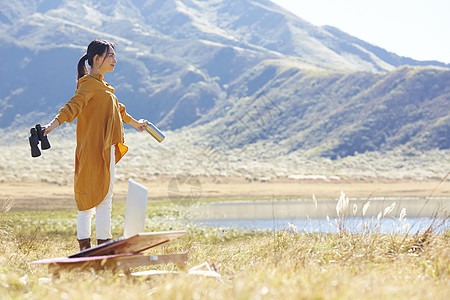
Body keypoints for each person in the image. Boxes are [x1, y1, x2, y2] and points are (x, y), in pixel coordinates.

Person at [43, 39, 148, 251]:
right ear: (97, 59)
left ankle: (90, 250)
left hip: (102, 149)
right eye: (111, 56)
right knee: (96, 201)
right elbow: (73, 106)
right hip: (96, 150)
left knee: (95, 200)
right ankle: (99, 250)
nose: (115, 60)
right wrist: (51, 125)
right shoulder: (89, 85)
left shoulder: (104, 87)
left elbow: (120, 110)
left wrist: (137, 124)